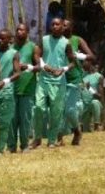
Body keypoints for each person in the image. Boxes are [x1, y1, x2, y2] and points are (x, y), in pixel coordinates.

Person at [31, 17, 73, 148]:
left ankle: (52, 140)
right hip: (43, 79)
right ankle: (37, 138)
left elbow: (73, 62)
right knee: (38, 107)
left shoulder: (67, 43)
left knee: (56, 112)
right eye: (52, 24)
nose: (54, 26)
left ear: (62, 27)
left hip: (59, 82)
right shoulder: (44, 40)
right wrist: (44, 66)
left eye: (57, 24)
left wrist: (63, 69)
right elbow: (36, 55)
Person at [61, 19, 95, 146]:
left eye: (66, 25)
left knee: (69, 110)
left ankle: (77, 131)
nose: (63, 27)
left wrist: (79, 56)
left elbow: (92, 56)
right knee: (60, 110)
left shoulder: (77, 40)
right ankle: (60, 137)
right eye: (62, 25)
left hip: (75, 79)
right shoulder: (57, 41)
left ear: (71, 27)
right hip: (59, 78)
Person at [10, 23, 37, 152]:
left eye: (22, 30)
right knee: (12, 118)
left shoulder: (33, 47)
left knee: (25, 119)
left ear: (27, 32)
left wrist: (28, 67)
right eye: (17, 30)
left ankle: (25, 145)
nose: (19, 32)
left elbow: (39, 67)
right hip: (13, 89)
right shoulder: (11, 48)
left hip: (27, 88)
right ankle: (11, 146)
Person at [0, 29, 20, 154]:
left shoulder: (14, 53)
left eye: (3, 38)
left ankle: (0, 149)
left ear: (10, 40)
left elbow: (17, 73)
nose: (0, 40)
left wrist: (5, 81)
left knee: (4, 122)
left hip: (7, 90)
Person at [81, 59, 105, 132]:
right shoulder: (82, 75)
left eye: (85, 61)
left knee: (95, 102)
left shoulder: (99, 77)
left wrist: (90, 89)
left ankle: (97, 126)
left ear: (91, 64)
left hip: (94, 104)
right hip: (84, 105)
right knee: (85, 130)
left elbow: (100, 96)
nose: (83, 63)